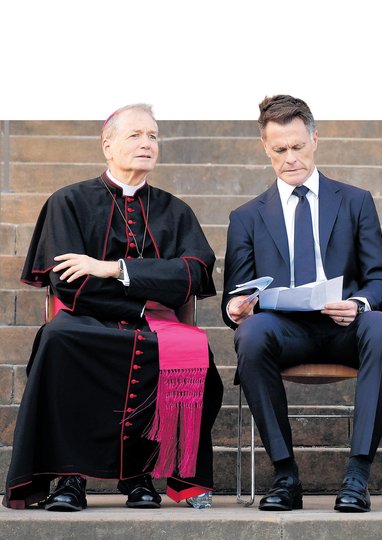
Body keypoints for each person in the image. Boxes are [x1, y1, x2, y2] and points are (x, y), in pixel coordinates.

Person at [3, 104, 223, 511]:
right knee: (58, 339)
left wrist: (114, 269)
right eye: (136, 135)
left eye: (153, 136)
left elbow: (194, 274)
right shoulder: (67, 202)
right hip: (85, 320)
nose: (147, 143)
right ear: (108, 145)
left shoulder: (176, 211)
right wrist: (153, 291)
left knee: (196, 353)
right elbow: (71, 284)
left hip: (154, 327)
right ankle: (69, 478)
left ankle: (141, 475)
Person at [222, 94, 382, 513]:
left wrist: (357, 303)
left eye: (298, 147)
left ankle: (358, 475)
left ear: (315, 139)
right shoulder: (246, 217)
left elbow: (380, 279)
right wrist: (236, 309)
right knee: (251, 334)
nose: (290, 158)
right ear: (265, 148)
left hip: (344, 326)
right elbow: (235, 295)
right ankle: (285, 475)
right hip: (284, 331)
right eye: (280, 149)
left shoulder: (355, 201)